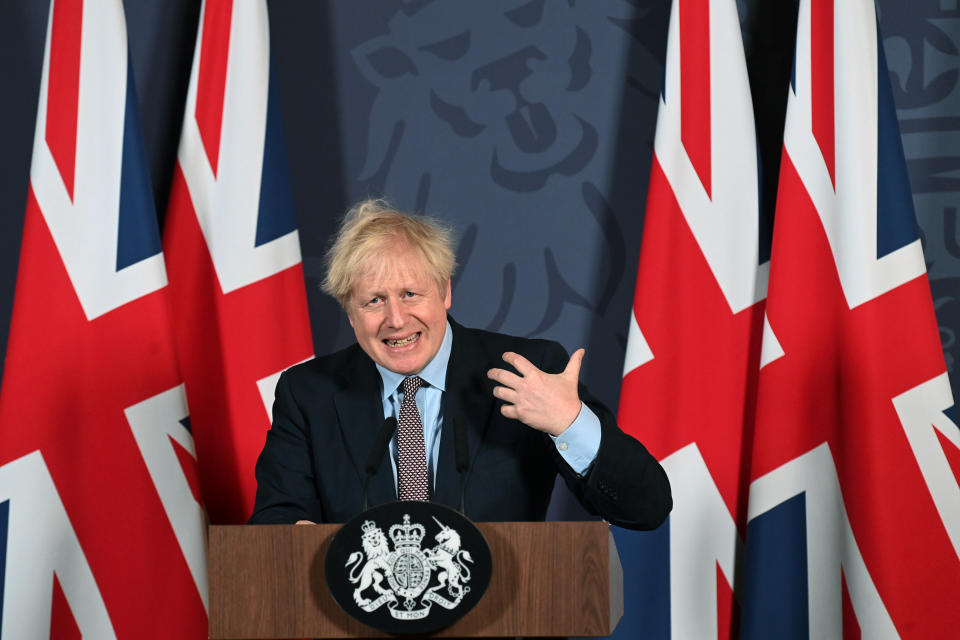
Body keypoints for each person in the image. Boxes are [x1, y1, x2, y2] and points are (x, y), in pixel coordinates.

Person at [248, 199, 671, 529]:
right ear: (350, 311)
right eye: (374, 300)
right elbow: (276, 519)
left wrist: (570, 422)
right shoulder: (309, 394)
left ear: (445, 292)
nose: (396, 319)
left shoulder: (530, 371)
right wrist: (297, 540)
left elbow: (646, 507)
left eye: (410, 294)